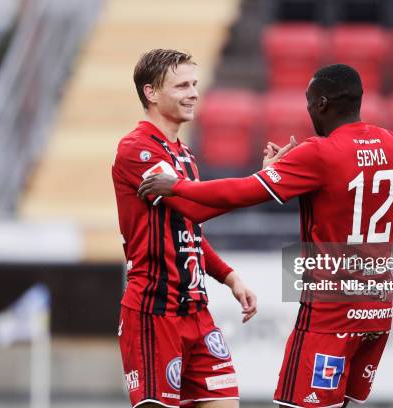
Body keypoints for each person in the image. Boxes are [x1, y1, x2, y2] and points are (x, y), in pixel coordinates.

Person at [138, 64, 393, 408]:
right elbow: (344, 189)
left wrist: (179, 186)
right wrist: (284, 171)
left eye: (309, 102)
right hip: (378, 308)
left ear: (322, 104)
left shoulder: (319, 152)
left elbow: (243, 192)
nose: (309, 110)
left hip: (330, 311)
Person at [112, 49, 258, 408]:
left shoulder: (184, 154)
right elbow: (192, 204)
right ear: (151, 93)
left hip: (196, 312)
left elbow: (189, 227)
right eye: (181, 85)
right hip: (153, 313)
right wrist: (261, 184)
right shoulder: (137, 150)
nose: (194, 92)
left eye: (194, 83)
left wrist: (229, 277)